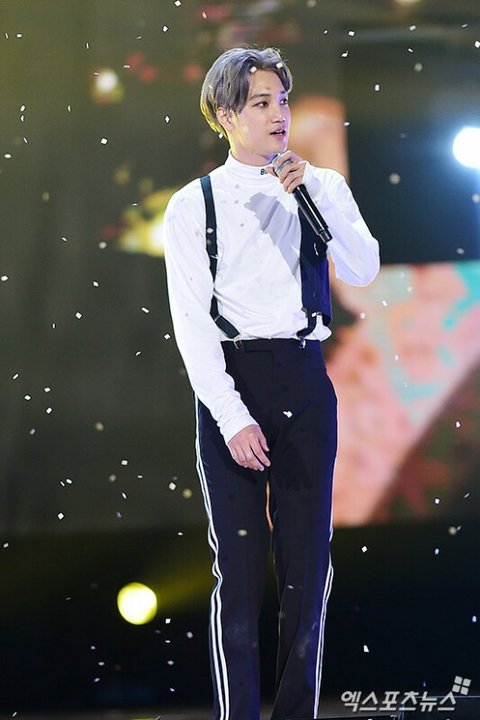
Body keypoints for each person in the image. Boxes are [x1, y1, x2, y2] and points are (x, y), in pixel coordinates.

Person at [163, 46, 379, 720]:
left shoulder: (321, 186)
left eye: (282, 100)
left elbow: (364, 269)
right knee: (239, 572)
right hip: (233, 384)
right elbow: (192, 324)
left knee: (307, 569)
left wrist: (311, 194)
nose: (279, 113)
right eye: (261, 102)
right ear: (227, 115)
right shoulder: (193, 204)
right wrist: (231, 416)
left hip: (305, 379)